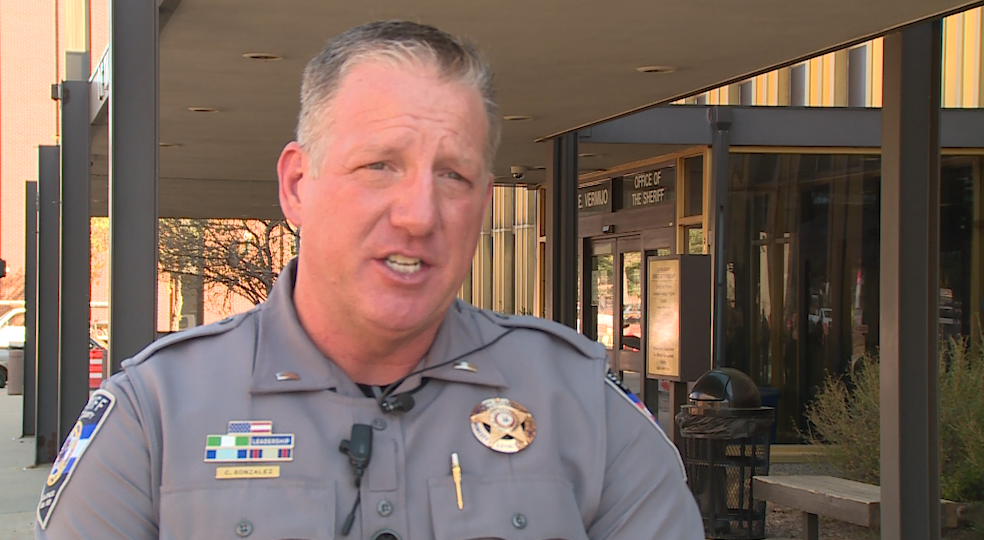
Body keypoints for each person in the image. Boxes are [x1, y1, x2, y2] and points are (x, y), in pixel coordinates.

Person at [35, 21, 703, 540]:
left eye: (453, 175)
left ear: (483, 202)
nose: (419, 215)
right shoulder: (154, 415)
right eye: (380, 165)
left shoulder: (581, 406)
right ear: (297, 186)